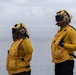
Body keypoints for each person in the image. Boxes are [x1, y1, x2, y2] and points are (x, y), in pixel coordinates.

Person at [51, 10, 76, 75]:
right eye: (56, 18)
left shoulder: (71, 31)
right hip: (58, 61)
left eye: (59, 18)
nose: (57, 21)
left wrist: (63, 44)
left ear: (65, 19)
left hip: (67, 61)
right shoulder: (60, 31)